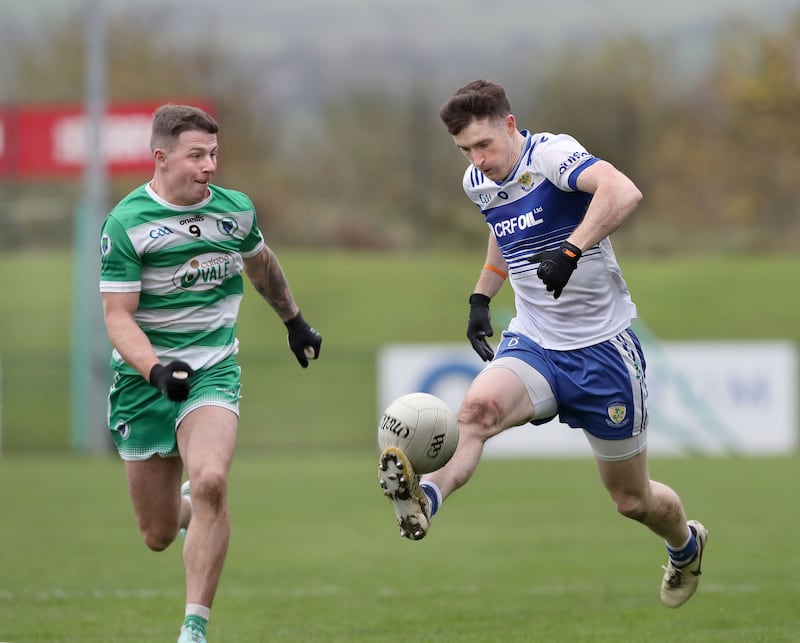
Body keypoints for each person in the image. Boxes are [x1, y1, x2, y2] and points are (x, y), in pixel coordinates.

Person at [378, 79, 707, 608]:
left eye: (484, 144)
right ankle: (426, 498)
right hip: (535, 339)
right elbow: (504, 230)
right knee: (477, 412)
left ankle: (685, 546)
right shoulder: (478, 180)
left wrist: (572, 250)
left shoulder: (552, 154)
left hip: (604, 352)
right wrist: (481, 296)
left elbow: (623, 191)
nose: (477, 159)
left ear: (510, 125)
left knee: (631, 500)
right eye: (465, 150)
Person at [99, 104, 322, 643]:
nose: (209, 166)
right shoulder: (127, 223)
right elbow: (117, 318)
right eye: (196, 155)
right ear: (161, 157)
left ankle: (194, 628)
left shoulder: (235, 211)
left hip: (213, 370)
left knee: (214, 482)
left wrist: (294, 320)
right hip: (145, 382)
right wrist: (155, 370)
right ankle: (188, 511)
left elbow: (261, 265)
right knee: (155, 533)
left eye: (214, 154)